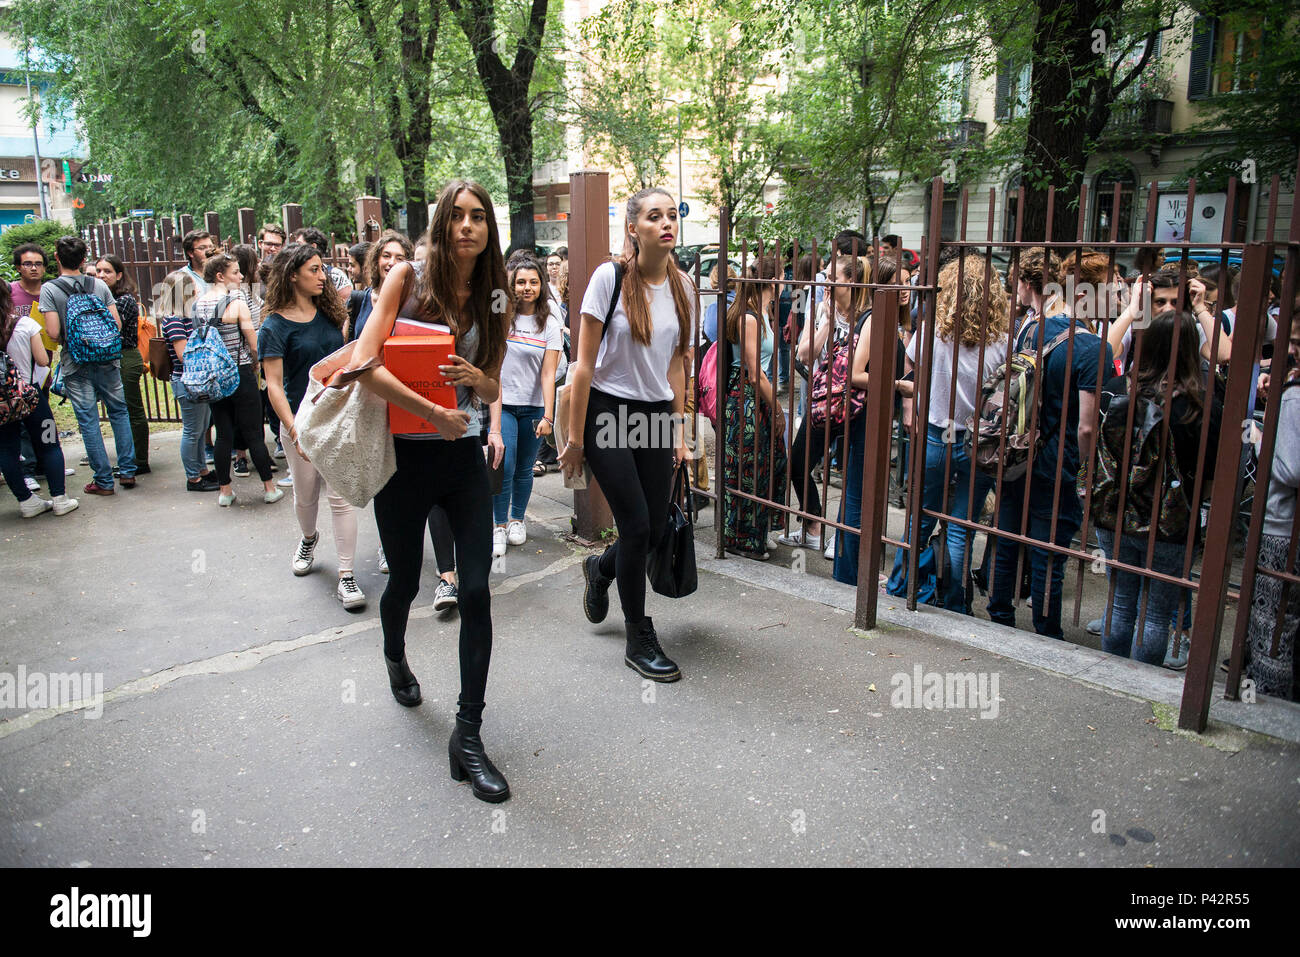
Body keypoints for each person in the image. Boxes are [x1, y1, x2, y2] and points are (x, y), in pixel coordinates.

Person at [352, 179, 510, 803]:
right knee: (405, 583)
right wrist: (434, 411)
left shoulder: (496, 295)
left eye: (479, 217)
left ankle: (466, 735)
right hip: (404, 461)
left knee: (475, 590)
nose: (468, 226)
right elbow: (365, 363)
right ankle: (395, 653)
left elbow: (495, 390)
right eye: (458, 216)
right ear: (443, 223)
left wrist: (478, 382)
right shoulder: (407, 280)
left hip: (463, 458)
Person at [560, 186, 695, 684]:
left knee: (656, 529)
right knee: (636, 526)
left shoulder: (683, 286)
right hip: (607, 413)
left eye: (671, 215)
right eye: (654, 216)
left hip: (656, 414)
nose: (666, 223)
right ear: (634, 229)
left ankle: (600, 570)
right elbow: (583, 365)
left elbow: (679, 366)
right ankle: (638, 635)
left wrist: (680, 430)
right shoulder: (609, 277)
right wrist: (575, 440)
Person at [987, 248, 1111, 638]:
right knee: (1048, 553)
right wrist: (1089, 472)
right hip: (1059, 460)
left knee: (1007, 535)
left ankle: (999, 614)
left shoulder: (1030, 328)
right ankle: (1046, 631)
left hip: (1017, 450)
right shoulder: (1094, 349)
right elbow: (1087, 427)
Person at [1095, 307, 1222, 665]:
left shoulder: (1118, 390)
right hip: (1171, 520)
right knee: (1156, 614)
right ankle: (1141, 683)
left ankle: (1107, 675)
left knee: (1119, 603)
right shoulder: (1203, 406)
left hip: (1117, 512)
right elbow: (1211, 472)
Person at [881, 255, 1009, 605]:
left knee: (920, 517)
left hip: (938, 432)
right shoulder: (1002, 339)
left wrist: (912, 401)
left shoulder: (933, 331)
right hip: (980, 440)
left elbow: (909, 361)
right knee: (961, 526)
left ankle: (902, 585)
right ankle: (956, 601)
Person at [259, 244, 364, 609]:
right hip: (300, 422)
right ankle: (308, 538)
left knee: (340, 497)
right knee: (306, 495)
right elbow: (273, 384)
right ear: (292, 275)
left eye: (323, 270)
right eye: (315, 270)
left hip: (337, 419)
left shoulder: (332, 313)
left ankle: (347, 576)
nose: (323, 277)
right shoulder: (273, 326)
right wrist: (293, 430)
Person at [781, 254, 869, 551]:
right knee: (797, 462)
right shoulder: (820, 308)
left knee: (850, 472)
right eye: (824, 274)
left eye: (833, 276)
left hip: (856, 406)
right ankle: (815, 526)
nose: (825, 281)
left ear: (851, 281)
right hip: (824, 402)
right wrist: (827, 323)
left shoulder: (867, 316)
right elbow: (805, 355)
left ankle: (842, 537)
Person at [40, 236, 136, 496]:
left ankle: (103, 481)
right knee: (119, 412)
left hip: (76, 363)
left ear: (57, 258)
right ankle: (127, 470)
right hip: (107, 360)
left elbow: (52, 330)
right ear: (84, 260)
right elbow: (116, 325)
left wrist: (73, 339)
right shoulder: (98, 285)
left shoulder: (50, 289)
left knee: (89, 421)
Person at [192, 252, 282, 507]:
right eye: (235, 272)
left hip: (215, 376)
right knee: (254, 432)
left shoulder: (198, 304)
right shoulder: (236, 303)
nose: (241, 277)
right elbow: (254, 345)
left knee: (223, 434)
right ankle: (268, 487)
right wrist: (258, 362)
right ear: (220, 276)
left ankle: (225, 491)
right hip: (240, 372)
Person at [490, 257, 563, 556]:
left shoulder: (550, 323)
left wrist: (549, 414)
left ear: (541, 285)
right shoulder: (501, 317)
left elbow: (549, 373)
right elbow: (493, 368)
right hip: (504, 404)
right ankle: (499, 525)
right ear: (512, 285)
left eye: (533, 282)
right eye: (521, 282)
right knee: (502, 464)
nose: (527, 287)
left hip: (533, 408)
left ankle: (517, 519)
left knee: (523, 469)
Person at [1246, 308, 1299, 699]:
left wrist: (1261, 439)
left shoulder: (1295, 399)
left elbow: (1290, 470)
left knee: (1274, 623)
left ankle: (1263, 701)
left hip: (1283, 525)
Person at [721, 255, 788, 559]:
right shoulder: (748, 317)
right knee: (745, 470)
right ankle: (741, 539)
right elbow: (753, 371)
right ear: (774, 281)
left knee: (765, 466)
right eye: (784, 277)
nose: (786, 283)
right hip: (746, 400)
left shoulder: (762, 312)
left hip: (756, 398)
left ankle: (757, 529)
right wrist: (777, 406)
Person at [1, 282, 77, 517]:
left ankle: (26, 502)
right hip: (30, 397)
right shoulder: (24, 324)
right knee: (49, 443)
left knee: (6, 450)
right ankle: (59, 498)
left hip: (2, 404)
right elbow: (43, 360)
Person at [157, 270, 218, 491]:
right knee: (192, 431)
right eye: (193, 286)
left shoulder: (187, 316)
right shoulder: (174, 320)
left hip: (196, 380)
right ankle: (193, 477)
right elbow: (184, 354)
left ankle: (202, 471)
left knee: (201, 429)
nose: (197, 289)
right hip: (187, 381)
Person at [95, 255, 150, 476]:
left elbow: (110, 329)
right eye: (98, 271)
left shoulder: (124, 300)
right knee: (121, 410)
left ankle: (140, 460)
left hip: (126, 358)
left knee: (132, 409)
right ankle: (129, 457)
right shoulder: (100, 297)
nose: (101, 275)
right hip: (112, 359)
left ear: (118, 275)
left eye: (107, 271)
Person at [346, 230, 413, 343]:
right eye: (386, 256)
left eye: (399, 258)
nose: (392, 262)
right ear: (376, 260)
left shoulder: (412, 304)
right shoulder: (359, 299)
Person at [290, 227, 352, 297]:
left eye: (299, 244)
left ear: (313, 246)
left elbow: (347, 303)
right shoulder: (291, 273)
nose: (295, 248)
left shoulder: (335, 275)